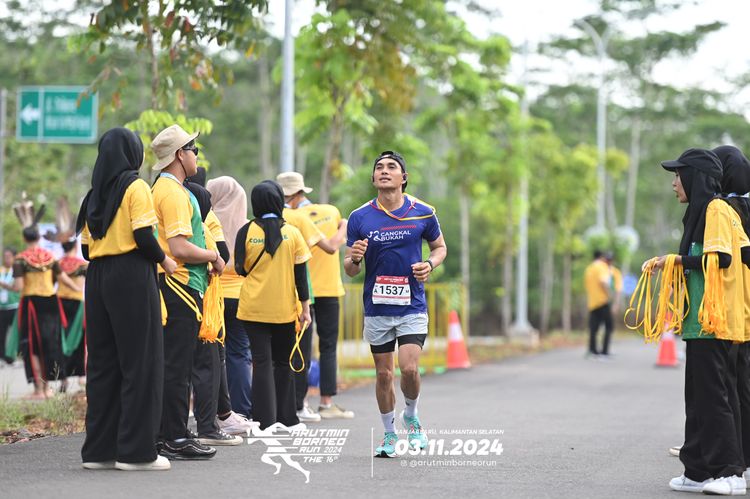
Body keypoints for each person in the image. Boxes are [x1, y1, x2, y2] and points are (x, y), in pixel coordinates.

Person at [648, 148, 747, 495]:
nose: (675, 183)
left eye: (679, 176)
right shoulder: (702, 213)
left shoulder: (716, 209)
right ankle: (698, 470)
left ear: (695, 178)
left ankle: (731, 473)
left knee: (715, 398)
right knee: (698, 398)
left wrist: (673, 261)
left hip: (714, 321)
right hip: (699, 322)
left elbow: (720, 259)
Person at [77, 127, 175, 471]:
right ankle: (136, 453)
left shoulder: (94, 195)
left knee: (102, 364)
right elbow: (144, 236)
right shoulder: (135, 187)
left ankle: (99, 452)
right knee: (141, 362)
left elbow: (86, 249)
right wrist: (165, 260)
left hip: (97, 278)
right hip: (131, 274)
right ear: (131, 154)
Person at [344, 150, 447, 457]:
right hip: (377, 307)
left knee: (410, 369)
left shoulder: (423, 212)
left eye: (391, 167)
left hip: (412, 305)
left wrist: (430, 264)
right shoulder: (359, 217)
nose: (384, 171)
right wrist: (355, 259)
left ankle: (411, 416)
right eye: (379, 167)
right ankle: (389, 434)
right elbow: (350, 269)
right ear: (373, 178)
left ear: (404, 177)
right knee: (384, 375)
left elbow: (440, 247)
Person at [151, 124, 225, 459]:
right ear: (180, 155)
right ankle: (176, 437)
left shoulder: (171, 189)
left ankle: (168, 433)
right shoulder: (173, 193)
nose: (196, 156)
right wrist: (213, 256)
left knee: (174, 364)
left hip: (180, 285)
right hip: (179, 285)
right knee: (178, 367)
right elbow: (179, 247)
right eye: (193, 150)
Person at [236, 180, 311, 430]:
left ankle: (263, 421)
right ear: (279, 201)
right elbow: (301, 277)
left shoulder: (245, 231)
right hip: (284, 310)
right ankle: (287, 419)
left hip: (252, 308)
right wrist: (305, 309)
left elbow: (241, 268)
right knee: (283, 362)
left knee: (262, 362)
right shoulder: (293, 233)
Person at [277, 171, 353, 419]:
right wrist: (344, 226)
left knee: (301, 347)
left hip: (301, 291)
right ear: (301, 191)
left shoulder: (286, 218)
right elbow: (333, 245)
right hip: (330, 289)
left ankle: (300, 403)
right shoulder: (331, 211)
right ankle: (326, 403)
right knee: (328, 346)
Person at [182, 176, 244, 446]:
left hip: (185, 293)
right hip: (209, 297)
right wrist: (213, 258)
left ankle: (177, 427)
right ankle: (212, 422)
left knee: (187, 362)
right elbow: (224, 256)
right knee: (216, 359)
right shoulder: (209, 220)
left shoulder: (180, 214)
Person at [206, 175, 259, 434]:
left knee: (214, 355)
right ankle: (240, 411)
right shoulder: (248, 228)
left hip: (213, 296)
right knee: (240, 354)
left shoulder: (207, 222)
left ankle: (215, 411)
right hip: (241, 297)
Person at [714, 145, 750, 482]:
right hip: (744, 310)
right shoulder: (743, 206)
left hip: (736, 311)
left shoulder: (726, 210)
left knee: (730, 384)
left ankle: (733, 458)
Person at [12, 222, 79, 398]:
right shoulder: (50, 257)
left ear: (24, 238)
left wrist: (5, 285)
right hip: (51, 303)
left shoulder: (20, 259)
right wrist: (78, 290)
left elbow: (18, 287)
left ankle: (39, 389)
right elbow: (63, 278)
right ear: (38, 237)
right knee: (50, 342)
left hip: (31, 304)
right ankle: (49, 387)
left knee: (31, 345)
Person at [57, 239, 87, 391]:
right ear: (75, 246)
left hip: (60, 303)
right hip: (77, 303)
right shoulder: (82, 264)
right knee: (80, 338)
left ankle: (63, 378)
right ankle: (81, 375)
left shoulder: (58, 263)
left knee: (61, 339)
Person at [583, 250, 615, 358]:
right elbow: (603, 281)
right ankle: (604, 352)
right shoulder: (601, 267)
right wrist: (609, 294)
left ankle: (592, 351)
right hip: (602, 301)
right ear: (601, 257)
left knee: (594, 328)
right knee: (609, 326)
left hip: (592, 302)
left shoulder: (589, 269)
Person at [0, 248, 19, 365]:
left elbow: (17, 287)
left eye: (9, 257)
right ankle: (2, 357)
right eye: (5, 257)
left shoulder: (17, 270)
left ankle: (13, 357)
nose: (6, 259)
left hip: (14, 305)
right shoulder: (1, 270)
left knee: (14, 333)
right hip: (2, 307)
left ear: (14, 257)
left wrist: (4, 285)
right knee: (1, 333)